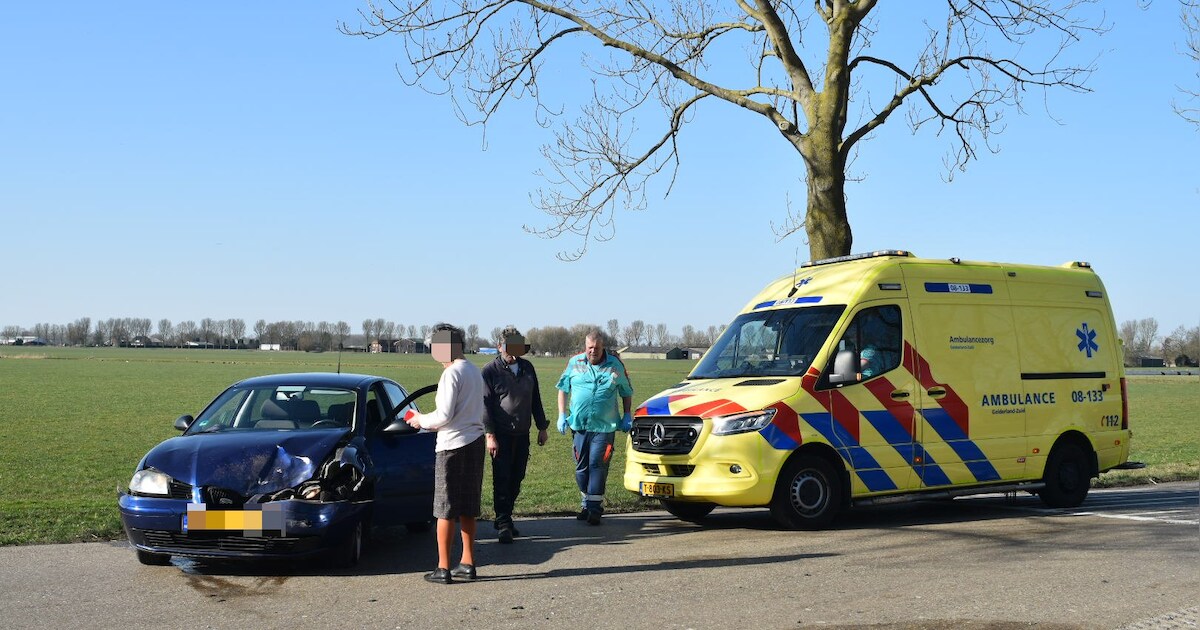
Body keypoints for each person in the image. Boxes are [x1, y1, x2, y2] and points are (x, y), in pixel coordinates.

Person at [404, 323, 486, 584]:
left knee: (445, 508)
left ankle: (443, 567)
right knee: (468, 506)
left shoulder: (451, 374)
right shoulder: (474, 371)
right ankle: (468, 562)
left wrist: (419, 419)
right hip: (475, 441)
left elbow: (443, 416)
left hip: (451, 445)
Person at [555, 330, 634, 525]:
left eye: (597, 348)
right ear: (585, 347)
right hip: (579, 426)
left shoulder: (615, 365)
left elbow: (626, 391)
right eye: (590, 347)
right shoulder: (575, 363)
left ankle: (594, 508)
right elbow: (563, 389)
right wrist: (561, 414)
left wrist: (627, 414)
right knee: (581, 468)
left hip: (604, 427)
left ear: (602, 347)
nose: (593, 351)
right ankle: (586, 504)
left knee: (597, 465)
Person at [480, 326, 549, 544]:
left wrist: (542, 427)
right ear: (499, 346)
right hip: (501, 435)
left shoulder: (527, 368)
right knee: (502, 478)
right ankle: (503, 523)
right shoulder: (490, 371)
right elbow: (485, 405)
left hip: (522, 434)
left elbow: (535, 399)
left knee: (517, 477)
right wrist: (490, 435)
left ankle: (505, 516)